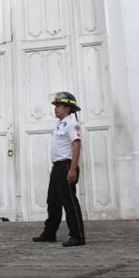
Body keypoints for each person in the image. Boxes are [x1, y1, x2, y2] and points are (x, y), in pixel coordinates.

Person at [32, 91, 86, 247]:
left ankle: (77, 235)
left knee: (69, 202)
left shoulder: (71, 124)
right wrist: (55, 168)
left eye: (59, 105)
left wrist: (73, 169)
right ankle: (49, 233)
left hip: (66, 165)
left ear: (68, 108)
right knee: (53, 202)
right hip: (58, 166)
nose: (55, 108)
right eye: (55, 105)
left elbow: (76, 144)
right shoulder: (59, 124)